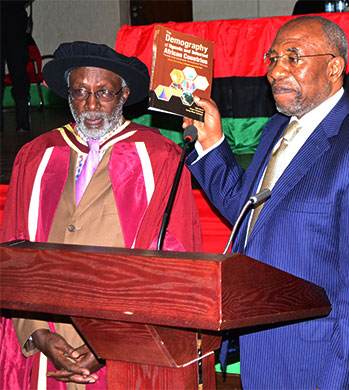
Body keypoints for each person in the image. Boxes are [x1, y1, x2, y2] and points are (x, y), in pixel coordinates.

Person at [184, 15, 349, 389]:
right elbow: (248, 211)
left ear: (334, 67)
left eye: (293, 57)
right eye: (272, 59)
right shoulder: (277, 127)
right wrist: (211, 142)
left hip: (321, 365)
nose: (276, 71)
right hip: (264, 353)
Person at [0, 41, 202, 389]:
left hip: (128, 349)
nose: (91, 105)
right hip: (48, 348)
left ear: (124, 94)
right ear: (67, 94)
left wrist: (111, 341)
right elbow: (11, 257)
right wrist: (36, 334)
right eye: (80, 92)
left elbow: (177, 265)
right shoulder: (36, 156)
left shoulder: (160, 157)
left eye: (104, 93)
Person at [0, 0, 31, 131]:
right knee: (19, 73)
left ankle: (23, 121)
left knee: (19, 73)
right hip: (14, 17)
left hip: (15, 20)